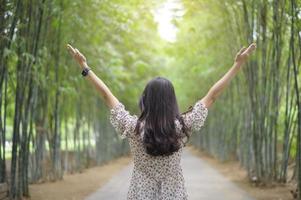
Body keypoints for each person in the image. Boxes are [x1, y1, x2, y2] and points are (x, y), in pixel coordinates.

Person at [67, 42, 256, 200]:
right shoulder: (181, 127)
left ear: (145, 99)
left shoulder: (134, 127)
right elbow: (212, 96)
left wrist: (85, 67)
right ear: (172, 100)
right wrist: (237, 65)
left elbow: (106, 96)